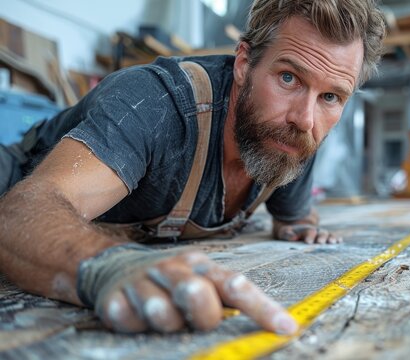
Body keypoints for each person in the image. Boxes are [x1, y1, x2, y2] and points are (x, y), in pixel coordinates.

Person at [0, 0, 385, 335]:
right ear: (244, 63)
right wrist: (106, 268)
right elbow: (22, 213)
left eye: (331, 96)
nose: (305, 118)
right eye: (288, 78)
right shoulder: (156, 105)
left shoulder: (289, 138)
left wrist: (300, 224)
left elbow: (295, 217)